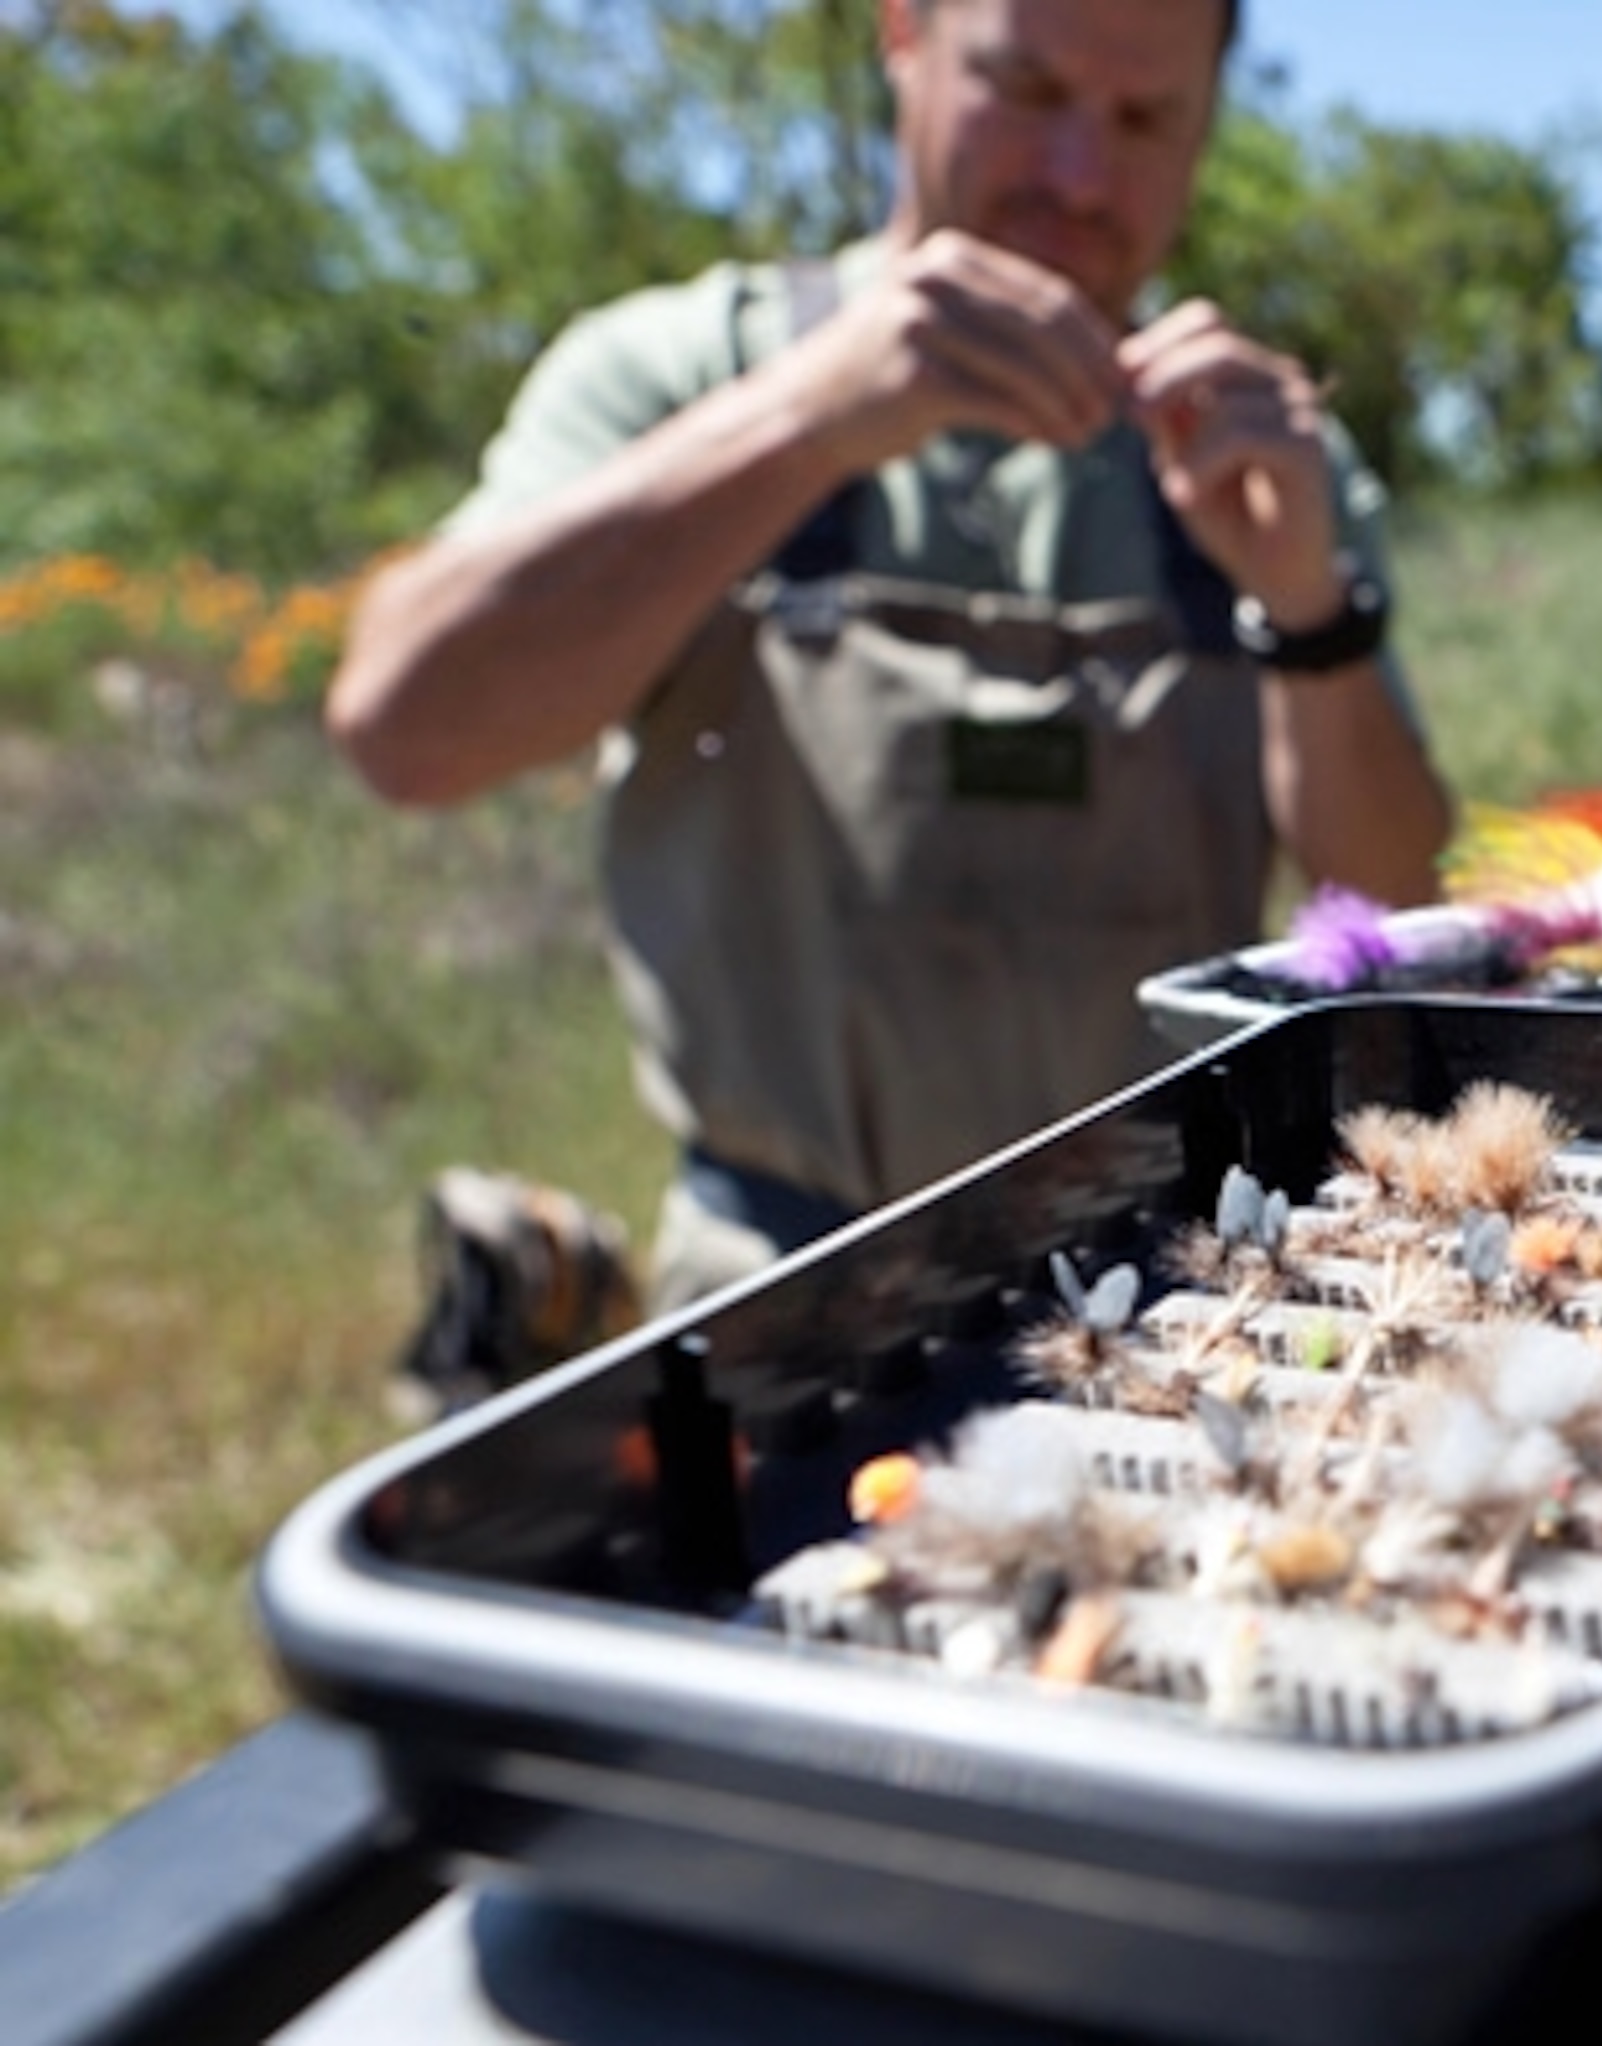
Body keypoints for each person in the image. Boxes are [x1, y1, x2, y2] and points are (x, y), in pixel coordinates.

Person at [327, 0, 1455, 1311]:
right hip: (776, 1301)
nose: (1080, 173)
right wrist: (803, 422)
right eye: (1027, 90)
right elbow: (404, 730)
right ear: (904, 36)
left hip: (1172, 1294)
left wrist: (1307, 609)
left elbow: (1393, 905)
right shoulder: (693, 371)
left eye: (1146, 119)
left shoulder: (1251, 451)